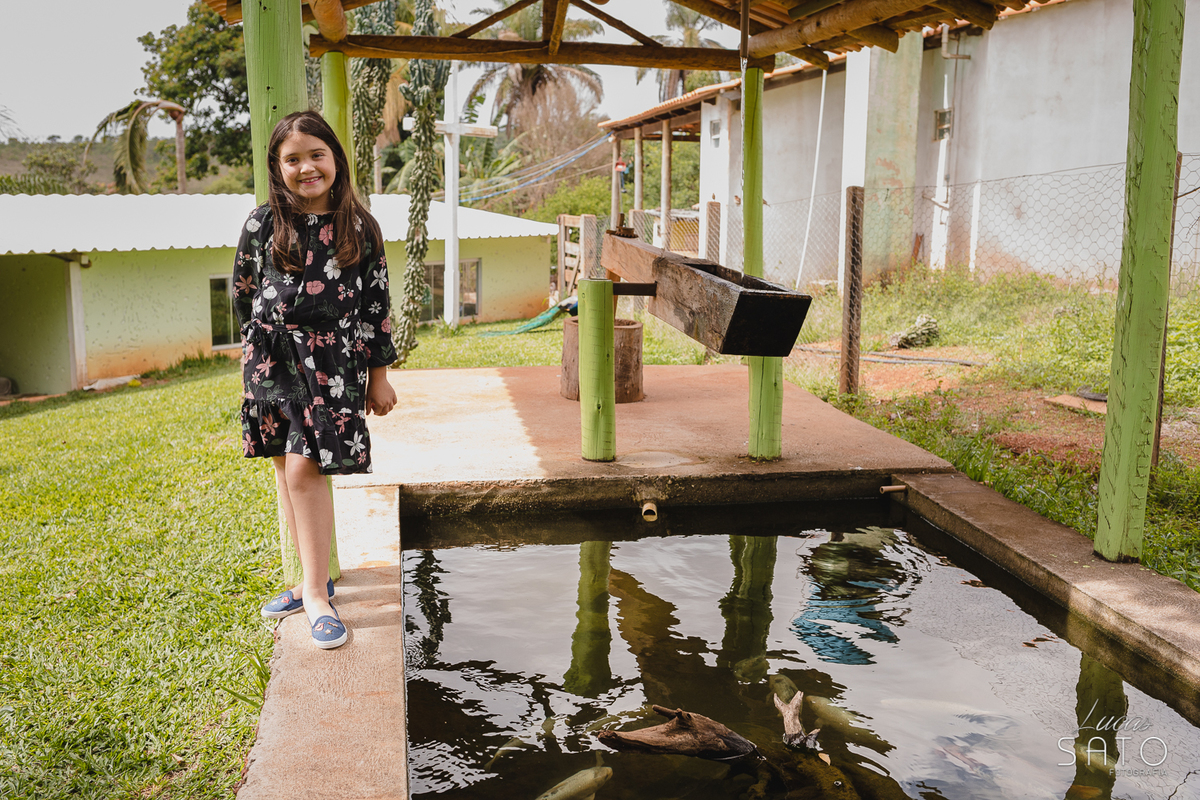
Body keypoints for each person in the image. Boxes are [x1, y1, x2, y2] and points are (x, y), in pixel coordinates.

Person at [232, 110, 398, 650]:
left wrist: (379, 375)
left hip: (333, 363)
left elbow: (376, 305)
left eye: (316, 155)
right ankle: (314, 577)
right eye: (292, 159)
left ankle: (316, 598)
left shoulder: (359, 227)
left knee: (306, 470)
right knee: (287, 471)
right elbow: (242, 292)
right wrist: (254, 358)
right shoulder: (262, 225)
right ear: (277, 168)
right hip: (273, 362)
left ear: (336, 158)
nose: (306, 167)